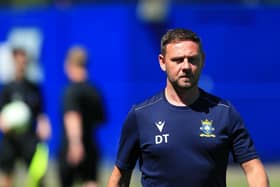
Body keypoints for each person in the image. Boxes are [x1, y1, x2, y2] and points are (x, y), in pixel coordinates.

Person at [107, 28, 269, 187]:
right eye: (177, 60)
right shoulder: (141, 115)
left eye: (192, 59)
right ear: (162, 62)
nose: (185, 66)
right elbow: (120, 177)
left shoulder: (224, 112)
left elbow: (253, 167)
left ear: (202, 60)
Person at [0, 47, 51, 187]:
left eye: (24, 62)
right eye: (18, 61)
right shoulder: (7, 88)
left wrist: (44, 125)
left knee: (38, 176)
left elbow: (41, 114)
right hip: (10, 138)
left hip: (28, 137)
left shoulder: (34, 87)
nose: (21, 65)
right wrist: (3, 122)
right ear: (13, 62)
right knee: (7, 176)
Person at [59, 46, 107, 187]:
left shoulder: (71, 91)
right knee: (91, 181)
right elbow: (101, 119)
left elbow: (72, 116)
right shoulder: (94, 90)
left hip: (73, 146)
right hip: (91, 145)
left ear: (69, 64)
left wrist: (75, 143)